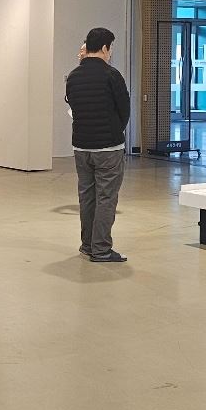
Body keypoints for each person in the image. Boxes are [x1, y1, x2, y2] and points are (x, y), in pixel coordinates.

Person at [65, 27, 131, 263]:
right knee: (106, 198)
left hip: (81, 146)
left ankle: (87, 245)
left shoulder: (73, 76)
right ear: (104, 47)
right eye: (110, 48)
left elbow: (73, 107)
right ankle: (101, 249)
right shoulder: (112, 75)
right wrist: (115, 130)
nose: (110, 52)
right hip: (108, 148)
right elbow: (124, 109)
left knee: (87, 196)